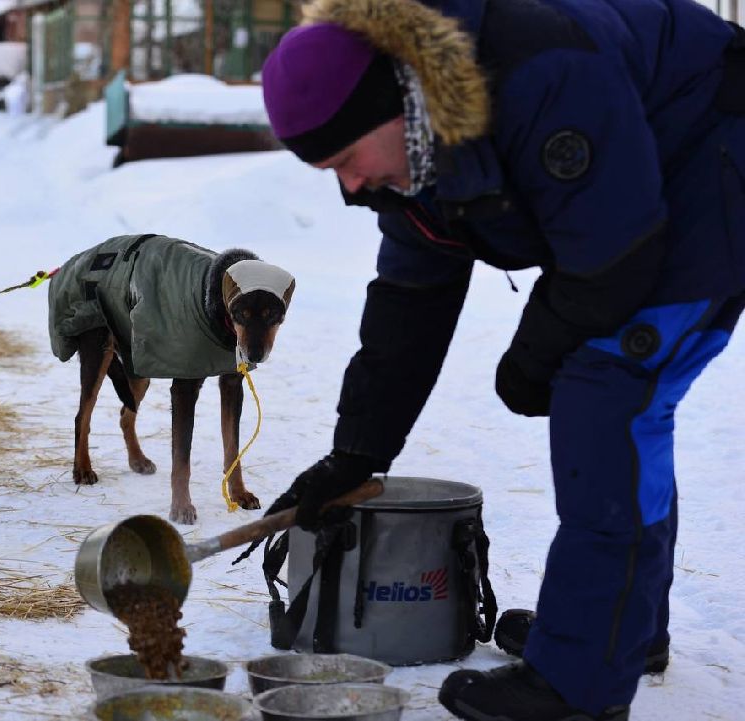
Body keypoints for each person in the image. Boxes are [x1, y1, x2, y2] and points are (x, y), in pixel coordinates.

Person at [260, 0, 745, 719]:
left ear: (393, 107)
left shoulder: (538, 75)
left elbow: (614, 251)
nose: (350, 188)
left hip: (714, 151)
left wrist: (532, 354)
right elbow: (410, 298)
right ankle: (618, 630)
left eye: (348, 160)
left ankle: (579, 683)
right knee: (616, 402)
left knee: (607, 391)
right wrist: (357, 451)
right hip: (644, 186)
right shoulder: (417, 150)